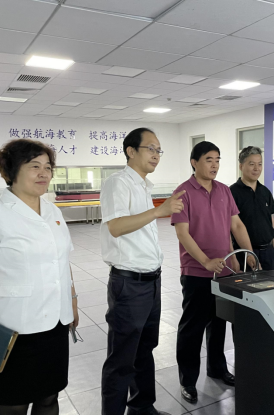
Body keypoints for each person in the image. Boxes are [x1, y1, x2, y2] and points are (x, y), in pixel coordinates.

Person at [0, 139, 79, 415]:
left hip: (54, 324)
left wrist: (72, 301)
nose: (43, 173)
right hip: (14, 331)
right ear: (11, 171)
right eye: (34, 166)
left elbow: (62, 262)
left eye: (48, 167)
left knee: (49, 397)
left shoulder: (53, 212)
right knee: (13, 404)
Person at [100, 127, 184, 415]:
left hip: (151, 281)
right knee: (122, 358)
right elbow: (116, 227)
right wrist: (159, 211)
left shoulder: (144, 186)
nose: (156, 155)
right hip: (129, 284)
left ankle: (142, 408)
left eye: (159, 150)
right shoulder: (118, 183)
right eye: (151, 148)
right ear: (131, 151)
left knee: (144, 349)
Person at [171, 141, 256, 404]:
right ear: (194, 162)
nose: (215, 165)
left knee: (219, 324)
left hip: (225, 271)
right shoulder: (182, 193)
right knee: (192, 328)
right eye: (209, 159)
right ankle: (188, 381)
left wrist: (247, 254)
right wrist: (206, 261)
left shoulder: (223, 190)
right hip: (196, 272)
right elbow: (183, 233)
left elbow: (236, 225)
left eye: (218, 160)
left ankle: (217, 368)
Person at [230, 146, 274, 271]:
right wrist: (235, 257)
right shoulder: (232, 193)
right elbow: (230, 227)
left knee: (271, 283)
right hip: (244, 252)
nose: (256, 168)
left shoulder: (265, 191)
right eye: (252, 164)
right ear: (241, 166)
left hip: (268, 251)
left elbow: (271, 221)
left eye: (260, 164)